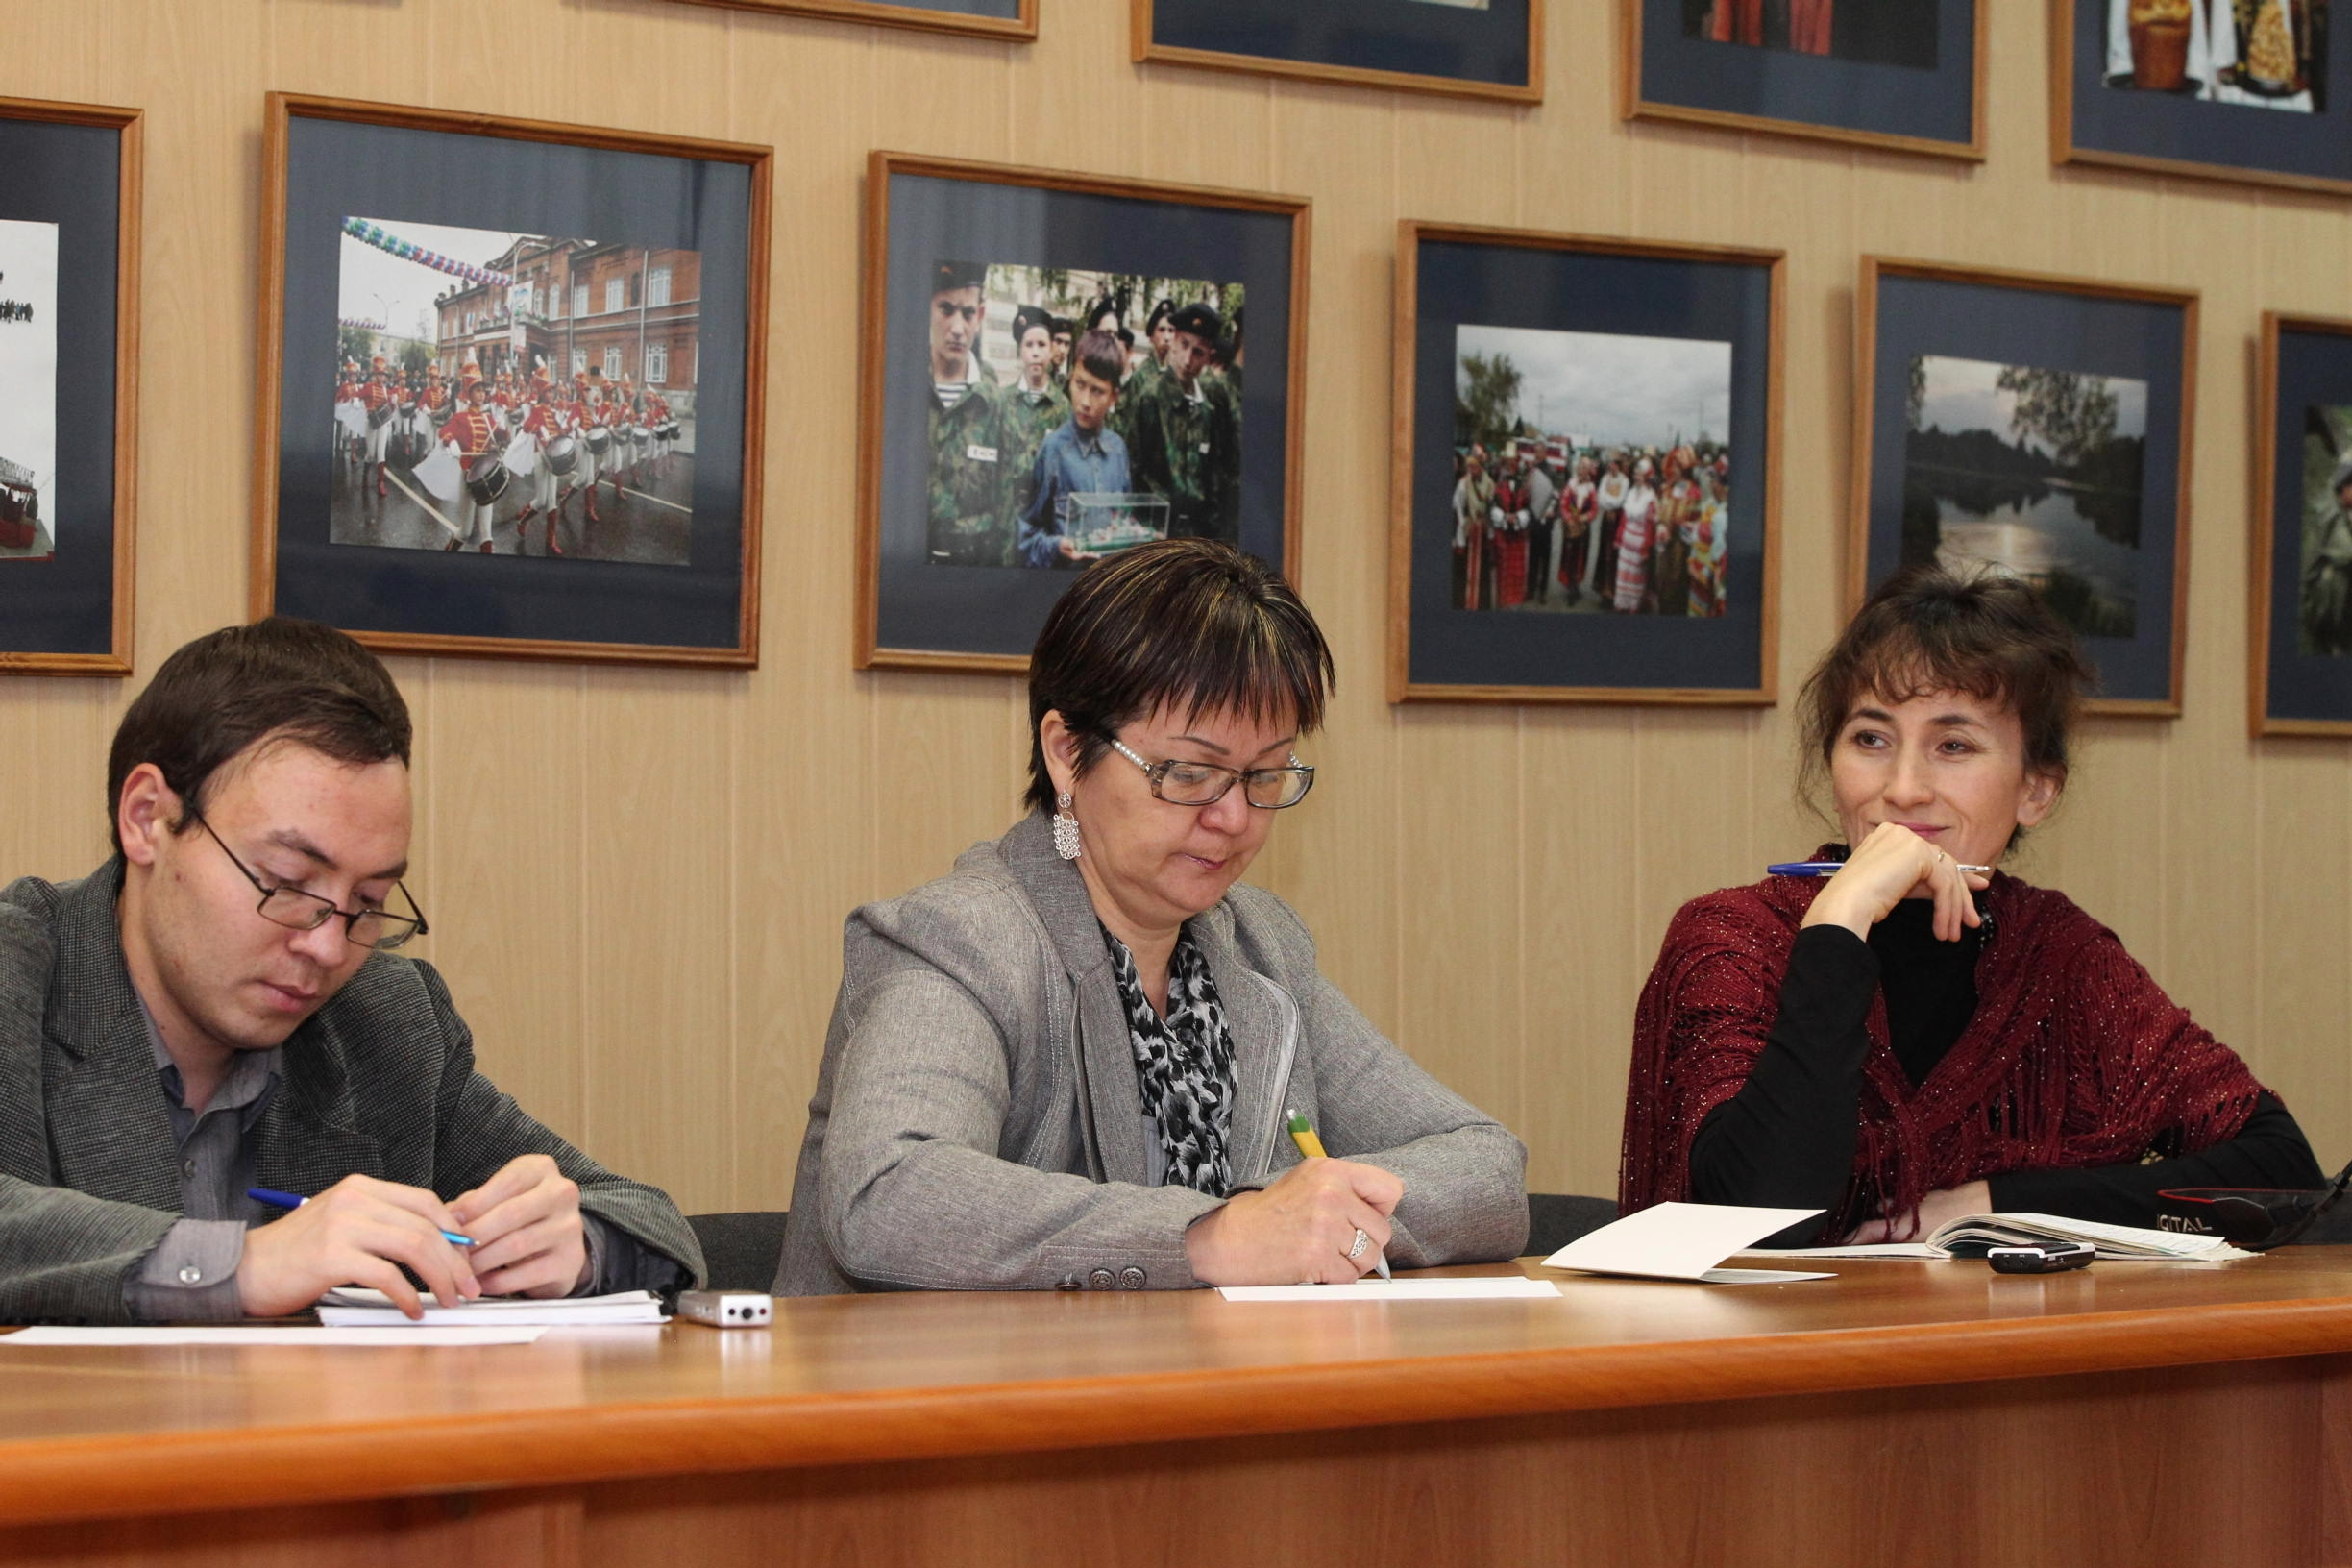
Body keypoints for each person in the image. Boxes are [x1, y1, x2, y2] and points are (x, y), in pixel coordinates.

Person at [776, 540, 1528, 1294]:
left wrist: (1320, 1219)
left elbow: (1486, 1167)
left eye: (1265, 774)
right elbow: (889, 1194)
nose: (1234, 817)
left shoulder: (1260, 947)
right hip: (944, 1375)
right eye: (1190, 773)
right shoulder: (962, 940)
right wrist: (1211, 1236)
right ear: (1067, 753)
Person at [0, 619, 702, 1323]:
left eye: (367, 902)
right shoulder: (18, 970)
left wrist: (573, 1245)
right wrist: (242, 1262)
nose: (329, 948)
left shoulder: (385, 1022)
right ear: (148, 817)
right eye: (287, 882)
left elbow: (650, 1222)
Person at [1619, 566, 2326, 1246]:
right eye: (1871, 739)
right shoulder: (1735, 938)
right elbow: (1756, 1215)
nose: (1903, 788)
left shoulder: (2061, 957)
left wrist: (2002, 1205)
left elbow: (2281, 1171)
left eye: (1953, 745)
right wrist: (1839, 924)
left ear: (2036, 792)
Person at [1124, 303, 1241, 544]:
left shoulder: (1208, 406)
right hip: (1158, 531)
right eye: (1184, 345)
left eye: (1198, 352)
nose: (1188, 359)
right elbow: (1133, 467)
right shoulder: (1151, 398)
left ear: (1208, 356)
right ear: (1174, 342)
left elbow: (1217, 472)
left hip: (1199, 534)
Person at [925, 260, 1014, 566]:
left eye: (968, 313)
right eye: (946, 309)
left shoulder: (994, 404)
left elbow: (1006, 513)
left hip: (973, 572)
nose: (957, 329)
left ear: (981, 316)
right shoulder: (903, 390)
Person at [1018, 329, 1128, 569]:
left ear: (1114, 397)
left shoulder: (1118, 450)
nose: (1085, 401)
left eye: (1097, 391)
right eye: (1080, 384)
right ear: (1070, 379)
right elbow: (1026, 536)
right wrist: (1057, 546)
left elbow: (1124, 522)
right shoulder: (1053, 450)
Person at [1000, 306, 1070, 534]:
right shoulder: (1003, 401)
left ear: (1051, 350)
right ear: (1020, 351)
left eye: (1042, 345)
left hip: (1046, 521)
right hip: (1007, 517)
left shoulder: (1062, 406)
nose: (1035, 352)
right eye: (1028, 345)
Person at [437, 372, 502, 553]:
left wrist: (504, 431)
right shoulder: (461, 418)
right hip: (468, 475)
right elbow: (444, 431)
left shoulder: (488, 418)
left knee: (487, 534)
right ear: (469, 394)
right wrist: (451, 441)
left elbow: (499, 438)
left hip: (485, 476)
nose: (482, 394)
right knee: (465, 531)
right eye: (477, 391)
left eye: (483, 391)